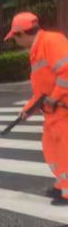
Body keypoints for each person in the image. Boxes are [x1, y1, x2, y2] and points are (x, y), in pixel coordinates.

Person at [5, 12, 68, 206]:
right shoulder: (37, 49)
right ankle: (63, 185)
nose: (14, 42)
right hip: (53, 112)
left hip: (63, 109)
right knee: (52, 149)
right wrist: (27, 110)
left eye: (14, 38)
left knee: (65, 150)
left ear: (21, 33)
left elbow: (66, 73)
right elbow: (40, 92)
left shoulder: (52, 41)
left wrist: (53, 98)